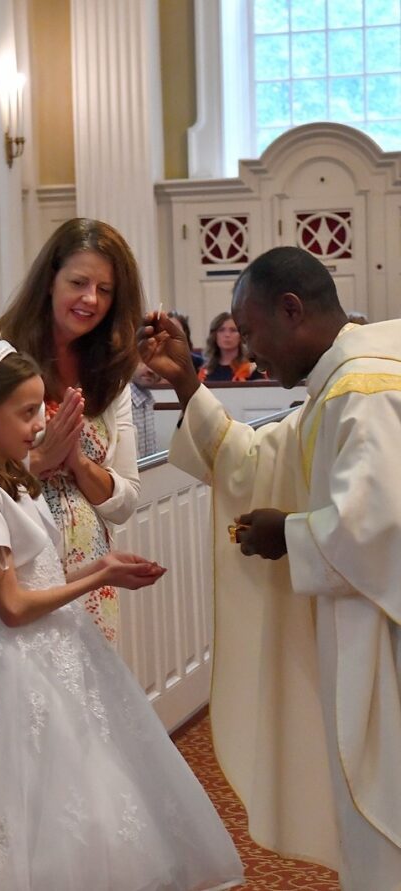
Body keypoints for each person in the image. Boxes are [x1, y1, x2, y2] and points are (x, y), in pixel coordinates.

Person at [0, 335, 244, 891]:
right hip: (13, 665)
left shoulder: (13, 478)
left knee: (82, 799)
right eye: (27, 412)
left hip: (56, 653)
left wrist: (100, 564)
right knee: (20, 808)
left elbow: (41, 577)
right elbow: (9, 606)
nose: (39, 426)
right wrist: (98, 577)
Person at [140, 245, 401, 890]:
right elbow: (256, 460)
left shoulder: (365, 390)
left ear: (292, 310)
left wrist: (288, 533)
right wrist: (184, 385)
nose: (252, 347)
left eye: (252, 331)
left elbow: (377, 527)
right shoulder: (337, 385)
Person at [0, 218, 143, 643]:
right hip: (14, 572)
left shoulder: (110, 373)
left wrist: (76, 462)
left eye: (106, 289)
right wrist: (40, 461)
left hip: (87, 576)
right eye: (78, 282)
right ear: (49, 280)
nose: (90, 299)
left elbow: (124, 501)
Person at [197, 310, 263, 382]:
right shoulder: (205, 371)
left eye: (233, 330)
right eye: (221, 330)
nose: (227, 335)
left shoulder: (252, 369)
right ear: (214, 335)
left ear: (241, 335)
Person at [130, 358, 160, 458]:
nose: (150, 370)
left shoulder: (148, 399)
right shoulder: (117, 400)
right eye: (144, 361)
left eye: (156, 364)